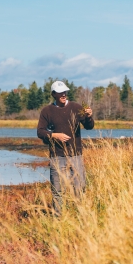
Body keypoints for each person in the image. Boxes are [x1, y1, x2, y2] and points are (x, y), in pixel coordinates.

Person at [36, 80, 95, 214]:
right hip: (57, 156)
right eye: (59, 93)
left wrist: (89, 117)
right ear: (53, 94)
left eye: (65, 92)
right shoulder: (47, 111)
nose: (63, 95)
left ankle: (80, 217)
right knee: (57, 190)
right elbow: (40, 132)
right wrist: (54, 135)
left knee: (79, 188)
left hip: (75, 154)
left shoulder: (75, 107)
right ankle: (58, 219)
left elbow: (89, 126)